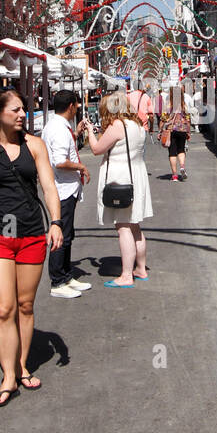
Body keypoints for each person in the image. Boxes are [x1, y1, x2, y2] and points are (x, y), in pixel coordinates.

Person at [0, 89, 63, 406]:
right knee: (4, 307)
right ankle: (8, 377)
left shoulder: (35, 146)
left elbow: (48, 186)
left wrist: (55, 222)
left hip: (31, 234)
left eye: (24, 109)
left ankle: (21, 365)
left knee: (25, 305)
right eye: (15, 110)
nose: (22, 114)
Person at [80, 92, 152, 288]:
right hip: (136, 175)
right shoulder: (137, 125)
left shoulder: (117, 125)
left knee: (123, 227)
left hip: (120, 177)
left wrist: (90, 131)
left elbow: (96, 149)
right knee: (135, 225)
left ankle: (126, 275)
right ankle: (141, 268)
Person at [41, 89, 92, 298]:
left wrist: (77, 134)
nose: (78, 108)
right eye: (77, 105)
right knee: (61, 235)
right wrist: (80, 166)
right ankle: (58, 280)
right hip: (62, 189)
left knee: (67, 234)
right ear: (71, 106)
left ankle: (65, 275)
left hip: (65, 188)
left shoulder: (59, 127)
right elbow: (60, 161)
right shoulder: (59, 129)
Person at [160, 91, 192, 181]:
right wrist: (188, 132)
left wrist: (160, 132)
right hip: (182, 130)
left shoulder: (167, 105)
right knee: (181, 149)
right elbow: (188, 120)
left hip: (171, 130)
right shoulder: (184, 106)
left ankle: (174, 175)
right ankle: (182, 166)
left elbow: (163, 119)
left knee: (172, 152)